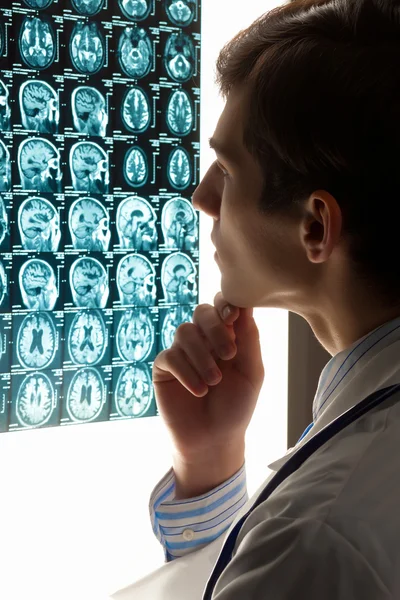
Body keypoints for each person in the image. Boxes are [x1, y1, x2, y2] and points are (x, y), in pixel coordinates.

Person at [113, 0, 400, 598]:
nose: (201, 197)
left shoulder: (315, 540)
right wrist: (212, 461)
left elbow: (293, 558)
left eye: (227, 167)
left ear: (316, 227)